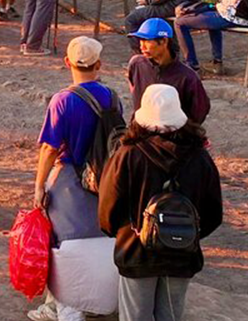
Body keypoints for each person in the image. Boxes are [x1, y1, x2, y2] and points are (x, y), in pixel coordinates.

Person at [97, 84, 223, 321]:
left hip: (136, 252)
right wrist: (185, 235)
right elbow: (214, 212)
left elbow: (108, 208)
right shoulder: (200, 157)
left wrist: (121, 233)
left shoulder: (128, 154)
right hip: (182, 254)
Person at [31, 37, 120, 321]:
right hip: (104, 178)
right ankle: (99, 301)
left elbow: (49, 148)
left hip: (68, 178)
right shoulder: (112, 97)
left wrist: (39, 186)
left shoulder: (63, 100)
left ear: (67, 62)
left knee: (62, 246)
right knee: (100, 240)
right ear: (99, 64)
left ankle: (61, 307)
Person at [125, 19, 210, 125]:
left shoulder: (188, 77)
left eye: (147, 41)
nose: (142, 46)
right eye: (140, 41)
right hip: (141, 131)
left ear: (164, 41)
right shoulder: (137, 64)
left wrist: (181, 130)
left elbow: (199, 112)